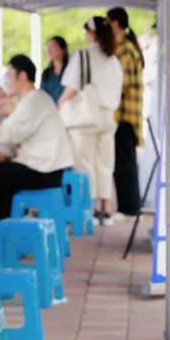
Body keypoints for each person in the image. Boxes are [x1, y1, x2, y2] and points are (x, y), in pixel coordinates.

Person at [0, 55, 74, 238]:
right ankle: (8, 231)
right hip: (47, 169)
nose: (5, 82)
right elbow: (14, 135)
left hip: (45, 172)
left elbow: (5, 133)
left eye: (8, 76)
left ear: (23, 77)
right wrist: (1, 154)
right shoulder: (34, 99)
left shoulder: (33, 101)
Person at [58, 17, 123, 223]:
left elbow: (72, 87)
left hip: (85, 117)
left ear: (92, 33)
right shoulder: (114, 59)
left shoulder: (83, 56)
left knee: (84, 164)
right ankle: (106, 207)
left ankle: (90, 208)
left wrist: (60, 104)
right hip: (108, 115)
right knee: (105, 163)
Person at [107, 7, 144, 217]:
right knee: (122, 162)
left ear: (115, 23)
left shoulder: (125, 49)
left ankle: (129, 208)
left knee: (125, 163)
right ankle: (127, 207)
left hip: (125, 115)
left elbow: (124, 83)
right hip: (122, 115)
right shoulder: (124, 47)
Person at [39, 36, 68, 103]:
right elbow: (42, 95)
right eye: (47, 47)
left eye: (52, 46)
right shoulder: (46, 74)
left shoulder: (70, 70)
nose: (49, 50)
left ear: (63, 49)